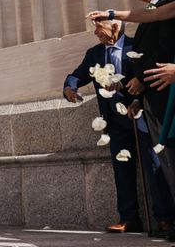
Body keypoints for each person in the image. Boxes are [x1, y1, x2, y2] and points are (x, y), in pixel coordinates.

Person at [63, 19, 174, 233]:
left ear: (115, 27)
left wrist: (137, 100)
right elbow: (77, 75)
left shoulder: (137, 48)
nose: (96, 32)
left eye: (99, 27)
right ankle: (129, 218)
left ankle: (165, 218)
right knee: (122, 169)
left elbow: (147, 79)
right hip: (114, 122)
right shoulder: (94, 54)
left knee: (153, 165)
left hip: (140, 117)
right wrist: (70, 87)